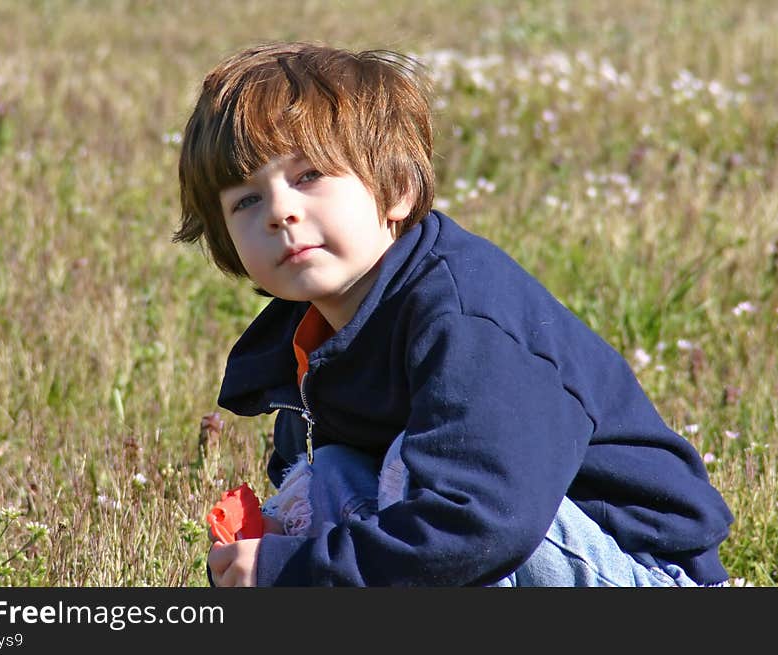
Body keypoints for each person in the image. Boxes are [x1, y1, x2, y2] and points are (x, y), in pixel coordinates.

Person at [174, 41, 733, 587]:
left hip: (634, 569)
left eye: (308, 176)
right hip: (497, 537)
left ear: (396, 188)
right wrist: (274, 547)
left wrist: (297, 571)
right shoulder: (307, 342)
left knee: (409, 472)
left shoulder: (463, 316)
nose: (280, 212)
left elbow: (484, 523)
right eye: (246, 200)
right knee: (335, 472)